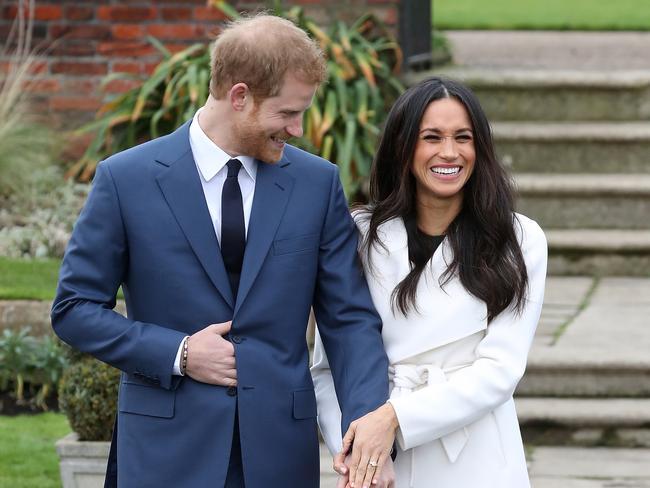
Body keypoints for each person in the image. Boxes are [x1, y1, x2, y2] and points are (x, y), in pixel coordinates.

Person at [51, 14, 393, 488]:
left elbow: (349, 319)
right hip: (164, 452)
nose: (296, 128)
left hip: (278, 453)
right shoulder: (125, 179)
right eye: (287, 113)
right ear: (239, 96)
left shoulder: (317, 184)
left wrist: (367, 430)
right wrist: (180, 352)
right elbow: (74, 309)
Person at [312, 77, 548, 488]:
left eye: (463, 137)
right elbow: (329, 367)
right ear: (403, 148)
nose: (450, 152)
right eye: (431, 137)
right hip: (379, 461)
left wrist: (395, 420)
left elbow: (500, 370)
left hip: (475, 455)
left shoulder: (518, 239)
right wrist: (359, 452)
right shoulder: (360, 235)